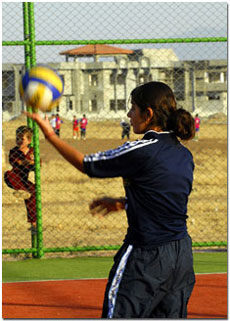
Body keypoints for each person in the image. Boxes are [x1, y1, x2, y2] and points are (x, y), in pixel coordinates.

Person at [24, 81, 196, 318]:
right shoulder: (183, 154)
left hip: (146, 255)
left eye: (133, 108)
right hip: (181, 256)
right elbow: (165, 198)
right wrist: (125, 203)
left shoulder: (142, 150)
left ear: (148, 114)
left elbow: (86, 164)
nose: (129, 114)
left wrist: (49, 134)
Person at [4, 126, 37, 230]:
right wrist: (29, 162)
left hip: (26, 179)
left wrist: (32, 162)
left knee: (33, 192)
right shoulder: (14, 151)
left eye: (21, 139)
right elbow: (17, 162)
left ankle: (34, 223)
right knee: (8, 174)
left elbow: (37, 164)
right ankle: (21, 190)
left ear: (29, 140)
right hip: (16, 177)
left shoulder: (33, 151)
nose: (19, 141)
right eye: (17, 139)